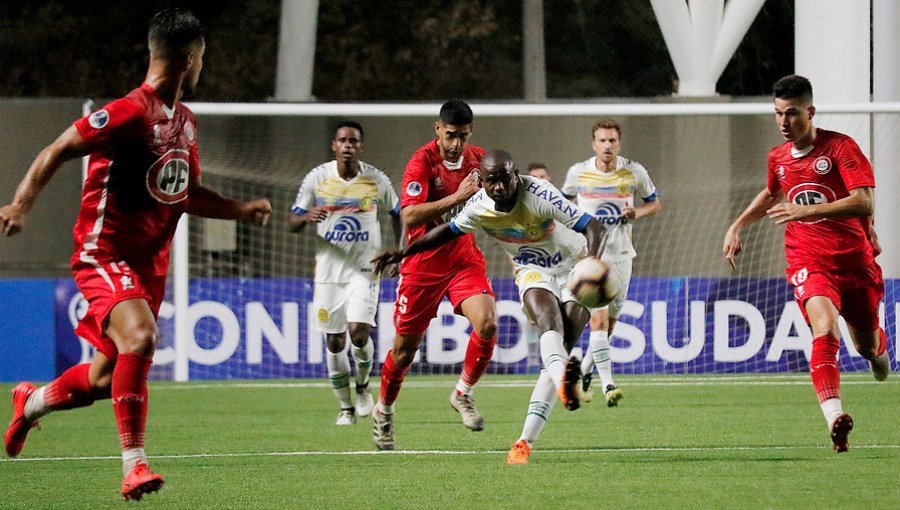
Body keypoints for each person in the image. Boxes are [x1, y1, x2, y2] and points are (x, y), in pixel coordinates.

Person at [0, 9, 272, 500]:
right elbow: (57, 147)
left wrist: (240, 210)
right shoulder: (129, 112)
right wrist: (21, 204)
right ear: (191, 59)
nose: (203, 65)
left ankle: (31, 401)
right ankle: (134, 465)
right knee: (144, 336)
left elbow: (184, 192)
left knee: (106, 379)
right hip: (102, 252)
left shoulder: (184, 122)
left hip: (149, 266)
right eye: (203, 58)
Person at [373, 150, 608, 464]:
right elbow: (445, 232)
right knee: (547, 324)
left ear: (516, 175)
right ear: (481, 182)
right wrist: (404, 253)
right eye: (491, 181)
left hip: (574, 269)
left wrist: (591, 265)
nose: (498, 187)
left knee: (560, 347)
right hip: (532, 270)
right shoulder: (479, 206)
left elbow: (596, 229)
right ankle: (560, 381)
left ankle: (525, 439)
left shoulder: (541, 195)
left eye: (504, 178)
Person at [723, 75, 889, 454]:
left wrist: (808, 210)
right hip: (807, 258)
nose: (784, 122)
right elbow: (771, 192)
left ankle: (879, 353)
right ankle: (835, 417)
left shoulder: (841, 148)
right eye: (778, 114)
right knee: (826, 328)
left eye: (792, 113)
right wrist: (737, 224)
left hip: (853, 259)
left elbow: (864, 201)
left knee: (867, 347)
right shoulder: (778, 157)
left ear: (810, 112)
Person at [370, 100, 498, 450]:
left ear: (471, 132)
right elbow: (411, 216)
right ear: (438, 129)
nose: (455, 143)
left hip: (462, 260)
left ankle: (462, 394)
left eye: (462, 136)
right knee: (404, 352)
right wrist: (457, 196)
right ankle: (384, 412)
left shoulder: (479, 159)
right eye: (450, 135)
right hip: (423, 265)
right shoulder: (422, 161)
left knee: (487, 323)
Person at [289, 121, 402, 426]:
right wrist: (305, 217)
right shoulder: (317, 178)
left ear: (361, 146)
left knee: (359, 332)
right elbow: (292, 220)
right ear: (335, 145)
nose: (348, 144)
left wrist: (399, 251)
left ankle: (363, 388)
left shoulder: (376, 179)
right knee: (335, 342)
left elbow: (398, 214)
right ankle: (345, 407)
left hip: (365, 270)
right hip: (328, 273)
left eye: (354, 140)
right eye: (343, 140)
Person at [562, 119, 660, 406]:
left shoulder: (633, 171)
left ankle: (585, 370)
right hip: (591, 259)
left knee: (608, 327)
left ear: (619, 144)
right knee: (599, 320)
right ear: (594, 145)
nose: (607, 146)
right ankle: (609, 385)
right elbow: (562, 205)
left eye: (612, 141)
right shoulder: (578, 172)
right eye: (602, 141)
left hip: (622, 256)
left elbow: (655, 203)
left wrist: (637, 213)